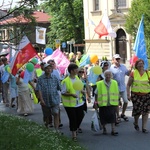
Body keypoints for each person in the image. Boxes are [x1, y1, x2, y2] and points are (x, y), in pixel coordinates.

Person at [61, 63, 84, 142]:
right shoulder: (65, 81)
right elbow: (63, 92)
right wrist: (71, 94)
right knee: (73, 118)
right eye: (76, 69)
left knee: (81, 116)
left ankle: (75, 128)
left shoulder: (77, 78)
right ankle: (74, 134)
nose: (77, 71)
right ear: (71, 71)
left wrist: (83, 91)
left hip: (79, 102)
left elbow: (79, 88)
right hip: (69, 104)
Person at [36, 64, 62, 133]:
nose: (49, 70)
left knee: (56, 113)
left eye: (50, 68)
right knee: (46, 115)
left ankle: (56, 129)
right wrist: (41, 99)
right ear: (44, 69)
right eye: (47, 68)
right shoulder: (41, 78)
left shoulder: (55, 78)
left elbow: (59, 88)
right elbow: (39, 90)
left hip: (54, 99)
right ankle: (46, 126)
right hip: (45, 99)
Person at [126, 59, 150, 133]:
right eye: (139, 64)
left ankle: (144, 127)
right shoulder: (133, 73)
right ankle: (136, 122)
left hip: (146, 95)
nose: (141, 65)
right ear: (136, 65)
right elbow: (128, 85)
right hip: (136, 95)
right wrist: (128, 94)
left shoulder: (148, 73)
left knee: (146, 111)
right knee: (137, 111)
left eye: (142, 64)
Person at [94, 70, 119, 136]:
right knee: (103, 117)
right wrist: (96, 102)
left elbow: (117, 92)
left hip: (112, 103)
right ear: (104, 76)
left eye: (109, 75)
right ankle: (104, 128)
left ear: (111, 76)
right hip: (102, 104)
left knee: (113, 116)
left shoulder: (114, 82)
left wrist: (119, 101)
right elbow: (96, 94)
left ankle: (113, 130)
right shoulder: (99, 83)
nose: (108, 76)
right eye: (106, 75)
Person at [110, 54, 132, 122]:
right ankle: (118, 116)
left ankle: (123, 113)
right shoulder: (111, 68)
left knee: (125, 101)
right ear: (113, 60)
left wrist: (130, 69)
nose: (118, 60)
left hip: (123, 87)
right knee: (116, 103)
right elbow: (109, 78)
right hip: (115, 88)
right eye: (116, 59)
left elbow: (127, 74)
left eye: (119, 59)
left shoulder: (123, 66)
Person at [77, 67, 91, 133]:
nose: (81, 73)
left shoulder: (84, 79)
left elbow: (87, 87)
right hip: (76, 98)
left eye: (83, 72)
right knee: (77, 113)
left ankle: (78, 124)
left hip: (83, 98)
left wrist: (89, 97)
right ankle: (77, 126)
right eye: (80, 71)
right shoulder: (75, 79)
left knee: (83, 113)